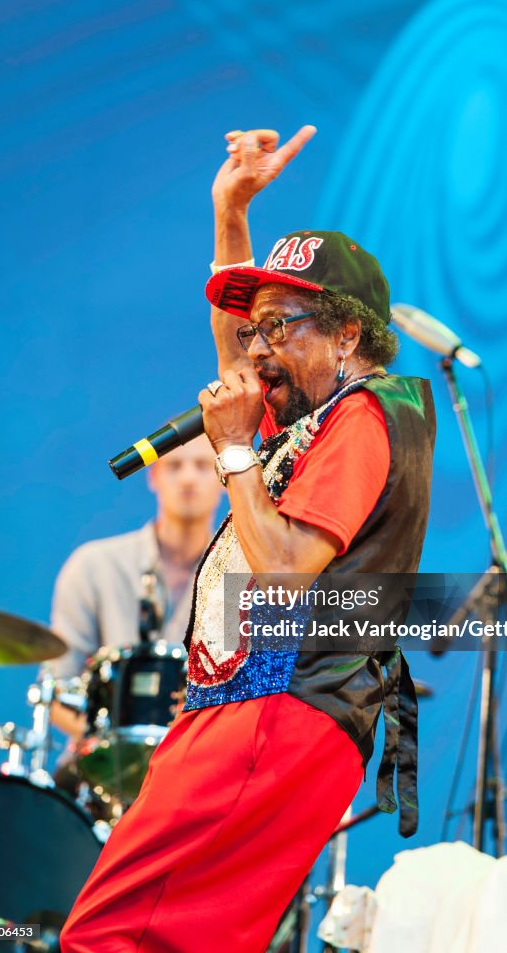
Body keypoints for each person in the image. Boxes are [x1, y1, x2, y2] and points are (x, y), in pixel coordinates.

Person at [61, 126, 436, 953]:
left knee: (110, 936)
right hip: (264, 707)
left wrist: (232, 450)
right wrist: (231, 211)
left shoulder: (370, 416)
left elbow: (286, 575)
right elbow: (237, 350)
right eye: (256, 330)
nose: (256, 351)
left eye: (280, 328)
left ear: (346, 334)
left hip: (280, 705)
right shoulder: (319, 406)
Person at [48, 435, 224, 743]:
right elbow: (56, 689)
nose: (187, 478)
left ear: (224, 476)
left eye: (201, 465)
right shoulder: (93, 566)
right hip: (103, 773)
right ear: (153, 476)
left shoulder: (243, 573)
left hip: (200, 767)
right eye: (174, 465)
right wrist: (114, 750)